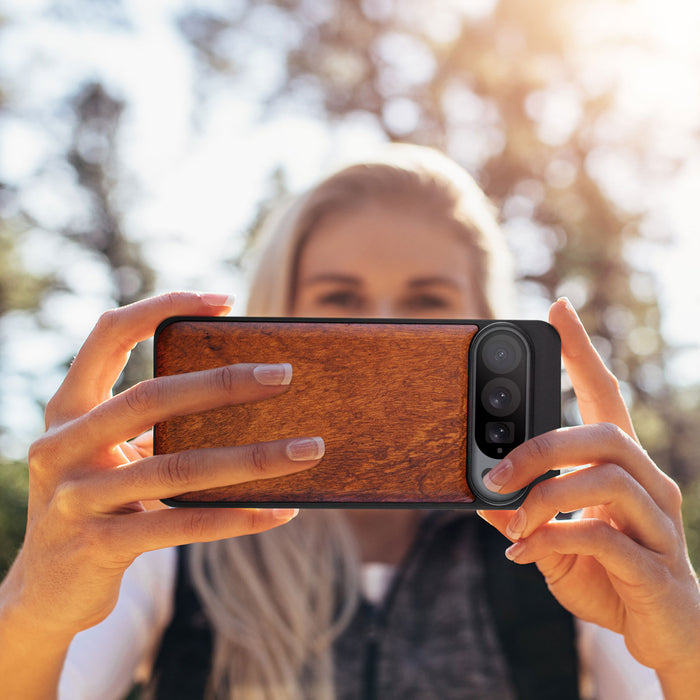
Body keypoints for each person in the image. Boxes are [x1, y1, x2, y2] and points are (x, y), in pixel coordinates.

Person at [0, 145, 698, 700]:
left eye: (428, 302)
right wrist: (34, 607)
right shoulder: (170, 536)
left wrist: (685, 648)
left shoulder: (567, 543)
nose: (385, 329)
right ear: (279, 314)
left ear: (487, 322)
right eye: (340, 298)